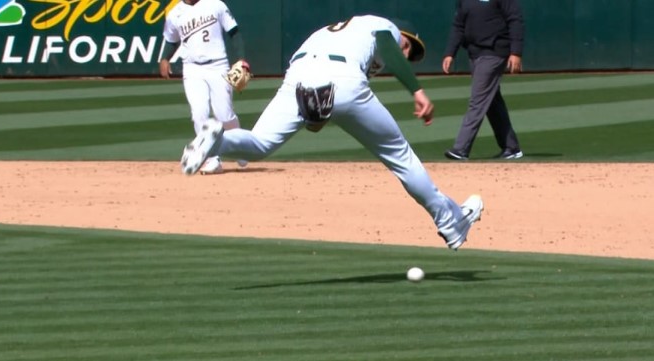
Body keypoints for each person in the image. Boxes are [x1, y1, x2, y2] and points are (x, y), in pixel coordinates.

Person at [180, 14, 484, 250]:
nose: (406, 56)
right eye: (409, 48)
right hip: (343, 77)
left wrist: (317, 117)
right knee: (401, 156)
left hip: (298, 76)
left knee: (259, 144)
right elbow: (390, 50)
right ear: (401, 34)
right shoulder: (383, 26)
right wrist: (416, 90)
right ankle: (450, 223)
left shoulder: (330, 34)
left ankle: (215, 141)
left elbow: (315, 118)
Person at [160, 0, 248, 174]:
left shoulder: (215, 5)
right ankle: (212, 159)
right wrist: (164, 58)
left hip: (218, 65)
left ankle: (241, 146)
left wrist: (241, 58)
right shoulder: (175, 13)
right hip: (192, 69)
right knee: (199, 113)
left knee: (224, 114)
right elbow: (171, 40)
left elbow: (234, 33)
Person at [442, 0, 525, 160]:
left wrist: (516, 52)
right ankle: (511, 147)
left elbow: (515, 19)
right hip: (475, 53)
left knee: (478, 100)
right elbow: (458, 25)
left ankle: (461, 149)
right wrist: (450, 52)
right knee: (492, 102)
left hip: (495, 51)